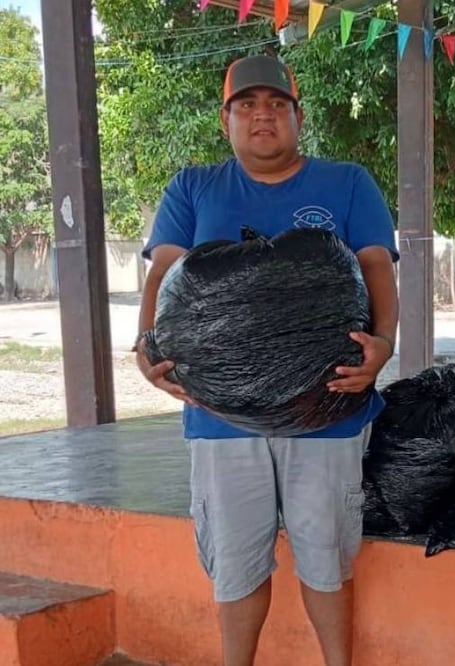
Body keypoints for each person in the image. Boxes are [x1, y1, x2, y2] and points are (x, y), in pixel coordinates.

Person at [134, 55, 399, 666]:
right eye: (247, 105)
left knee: (326, 560)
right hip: (220, 421)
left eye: (277, 104)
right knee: (236, 564)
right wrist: (147, 345)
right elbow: (164, 270)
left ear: (298, 117)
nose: (263, 116)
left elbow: (375, 267)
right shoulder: (193, 187)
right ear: (225, 118)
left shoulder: (347, 182)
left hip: (326, 409)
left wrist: (383, 344)